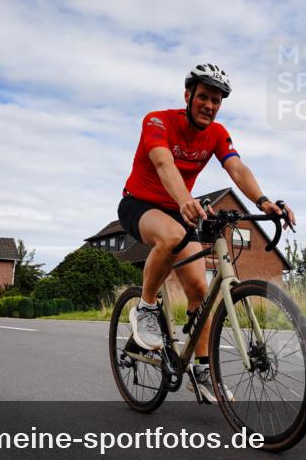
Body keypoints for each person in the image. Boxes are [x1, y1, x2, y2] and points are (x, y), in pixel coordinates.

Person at [119, 63, 296, 403]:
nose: (209, 105)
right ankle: (145, 307)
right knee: (172, 235)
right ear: (188, 96)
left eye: (216, 100)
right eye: (203, 97)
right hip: (139, 204)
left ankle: (202, 372)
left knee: (200, 290)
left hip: (179, 208)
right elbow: (163, 163)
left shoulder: (216, 133)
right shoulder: (157, 121)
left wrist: (262, 200)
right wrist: (185, 200)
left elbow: (236, 168)